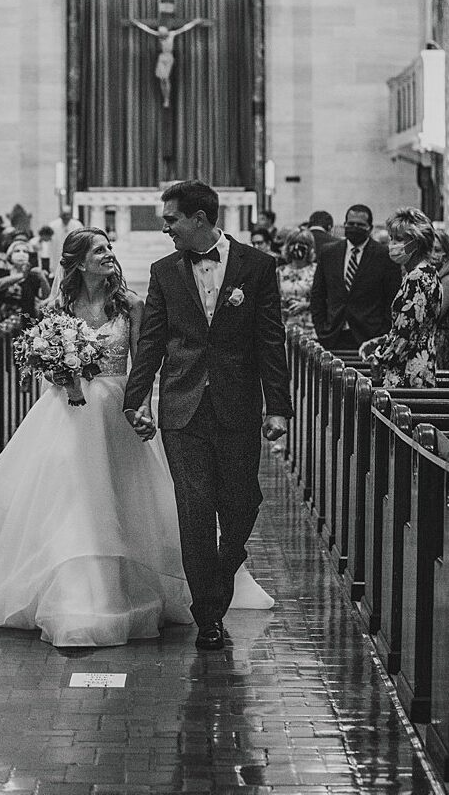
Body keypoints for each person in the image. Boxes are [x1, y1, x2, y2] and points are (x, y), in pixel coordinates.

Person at [0, 227, 273, 647]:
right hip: (66, 413)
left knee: (123, 498)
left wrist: (141, 405)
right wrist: (64, 377)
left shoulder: (130, 304)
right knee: (71, 499)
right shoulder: (57, 305)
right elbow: (40, 358)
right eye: (100, 250)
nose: (110, 255)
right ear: (78, 261)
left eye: (110, 248)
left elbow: (146, 359)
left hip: (116, 407)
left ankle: (140, 587)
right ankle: (72, 592)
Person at [123, 180, 293, 651]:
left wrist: (278, 406)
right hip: (183, 408)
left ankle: (221, 573)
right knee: (195, 511)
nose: (165, 227)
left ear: (200, 218)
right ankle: (209, 616)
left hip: (238, 406)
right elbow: (153, 341)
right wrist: (135, 400)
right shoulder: (164, 272)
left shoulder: (257, 267)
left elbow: (269, 340)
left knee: (243, 502)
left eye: (172, 219)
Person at [360, 208, 442, 388]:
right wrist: (380, 341)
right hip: (423, 362)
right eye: (391, 238)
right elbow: (414, 325)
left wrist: (379, 356)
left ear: (416, 243)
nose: (392, 244)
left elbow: (405, 334)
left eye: (399, 239)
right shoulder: (430, 274)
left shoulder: (416, 278)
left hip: (407, 370)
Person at [310, 204, 401, 352]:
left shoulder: (384, 256)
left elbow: (392, 299)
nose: (354, 227)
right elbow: (318, 295)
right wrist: (321, 328)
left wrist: (382, 334)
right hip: (333, 334)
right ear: (344, 224)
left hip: (369, 336)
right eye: (351, 224)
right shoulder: (329, 252)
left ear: (370, 228)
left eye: (360, 225)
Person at [130, 18, 207, 108]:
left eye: (162, 31)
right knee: (162, 80)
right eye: (160, 32)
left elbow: (185, 28)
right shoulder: (159, 35)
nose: (161, 33)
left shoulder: (172, 34)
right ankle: (165, 98)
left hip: (168, 57)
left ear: (166, 31)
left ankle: (167, 99)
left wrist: (194, 22)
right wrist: (137, 23)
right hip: (162, 57)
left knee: (166, 79)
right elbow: (147, 29)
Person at [0, 239, 50, 325]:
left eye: (25, 252)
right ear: (10, 255)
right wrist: (22, 275)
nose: (21, 254)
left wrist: (42, 277)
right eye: (17, 251)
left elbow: (45, 296)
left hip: (25, 320)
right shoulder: (2, 272)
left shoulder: (33, 277)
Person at [277, 229, 317, 336]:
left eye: (303, 244)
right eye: (293, 243)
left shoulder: (316, 271)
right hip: (285, 325)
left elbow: (324, 299)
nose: (297, 247)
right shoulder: (279, 271)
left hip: (310, 326)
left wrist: (306, 305)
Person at [432, 228, 449, 369]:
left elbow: (438, 314)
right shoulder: (435, 276)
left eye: (437, 250)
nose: (432, 255)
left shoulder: (446, 279)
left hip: (441, 340)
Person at [48, 204, 84, 271]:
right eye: (64, 214)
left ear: (70, 215)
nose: (66, 217)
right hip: (56, 254)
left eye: (67, 214)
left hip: (72, 254)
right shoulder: (52, 225)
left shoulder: (77, 225)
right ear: (61, 214)